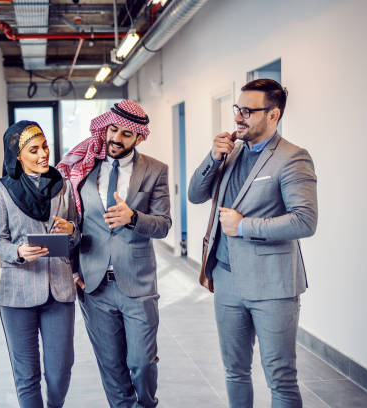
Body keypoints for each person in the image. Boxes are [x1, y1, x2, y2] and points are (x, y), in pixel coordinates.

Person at [188, 79, 318, 407]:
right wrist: (212, 158)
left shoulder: (293, 158)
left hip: (273, 286)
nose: (239, 117)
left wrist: (245, 226)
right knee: (235, 370)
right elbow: (195, 195)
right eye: (238, 109)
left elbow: (305, 220)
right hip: (227, 279)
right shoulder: (230, 152)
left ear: (273, 115)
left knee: (281, 377)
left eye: (248, 111)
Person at [57, 100, 171, 408]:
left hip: (138, 285)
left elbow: (163, 225)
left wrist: (132, 218)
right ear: (104, 127)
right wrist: (73, 270)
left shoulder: (156, 171)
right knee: (112, 367)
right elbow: (71, 225)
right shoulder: (83, 170)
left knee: (142, 362)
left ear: (139, 138)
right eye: (112, 129)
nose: (116, 138)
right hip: (94, 286)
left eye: (125, 134)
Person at [0, 121, 80, 408]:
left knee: (60, 372)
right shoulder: (0, 190)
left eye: (45, 147)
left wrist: (71, 231)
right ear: (17, 155)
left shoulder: (62, 185)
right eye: (34, 150)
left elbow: (76, 233)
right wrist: (18, 251)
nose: (43, 155)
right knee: (26, 376)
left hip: (60, 290)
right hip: (17, 292)